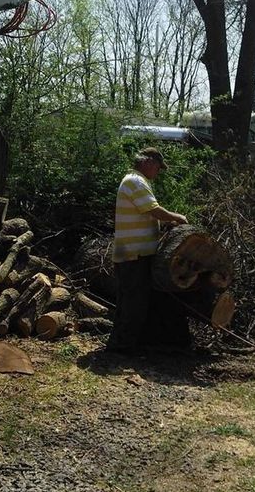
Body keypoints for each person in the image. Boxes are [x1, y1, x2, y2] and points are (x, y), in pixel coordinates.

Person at [106, 147, 188, 355]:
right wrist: (176, 217)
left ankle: (125, 343)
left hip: (134, 253)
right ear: (148, 162)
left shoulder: (137, 181)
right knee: (134, 302)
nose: (158, 172)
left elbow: (148, 214)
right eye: (158, 168)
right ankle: (122, 347)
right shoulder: (136, 181)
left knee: (133, 300)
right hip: (133, 254)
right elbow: (152, 209)